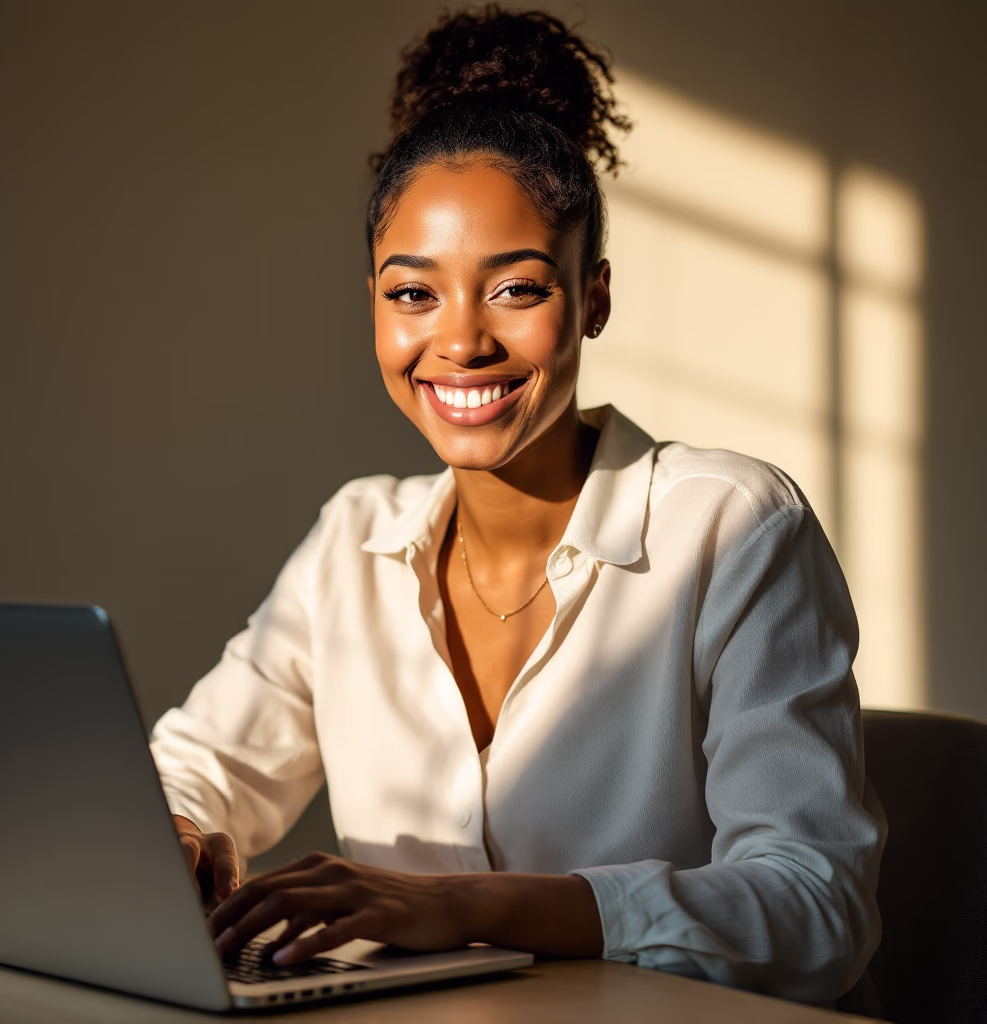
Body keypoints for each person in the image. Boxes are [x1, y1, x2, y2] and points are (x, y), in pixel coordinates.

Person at [150, 4, 885, 1006]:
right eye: (413, 294)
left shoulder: (733, 527)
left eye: (518, 289)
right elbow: (191, 766)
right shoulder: (353, 538)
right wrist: (177, 833)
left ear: (595, 296)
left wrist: (472, 905)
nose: (460, 343)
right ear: (371, 296)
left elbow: (816, 909)